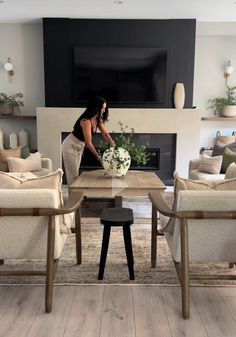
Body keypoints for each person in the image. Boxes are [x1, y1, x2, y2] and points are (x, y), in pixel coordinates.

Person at [62, 96, 116, 187]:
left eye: (105, 108)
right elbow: (89, 143)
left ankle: (77, 198)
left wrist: (113, 143)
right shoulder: (86, 121)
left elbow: (105, 133)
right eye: (102, 108)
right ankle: (73, 200)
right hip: (70, 146)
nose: (104, 110)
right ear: (96, 108)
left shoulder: (97, 119)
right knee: (73, 177)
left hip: (79, 146)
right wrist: (99, 158)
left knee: (75, 175)